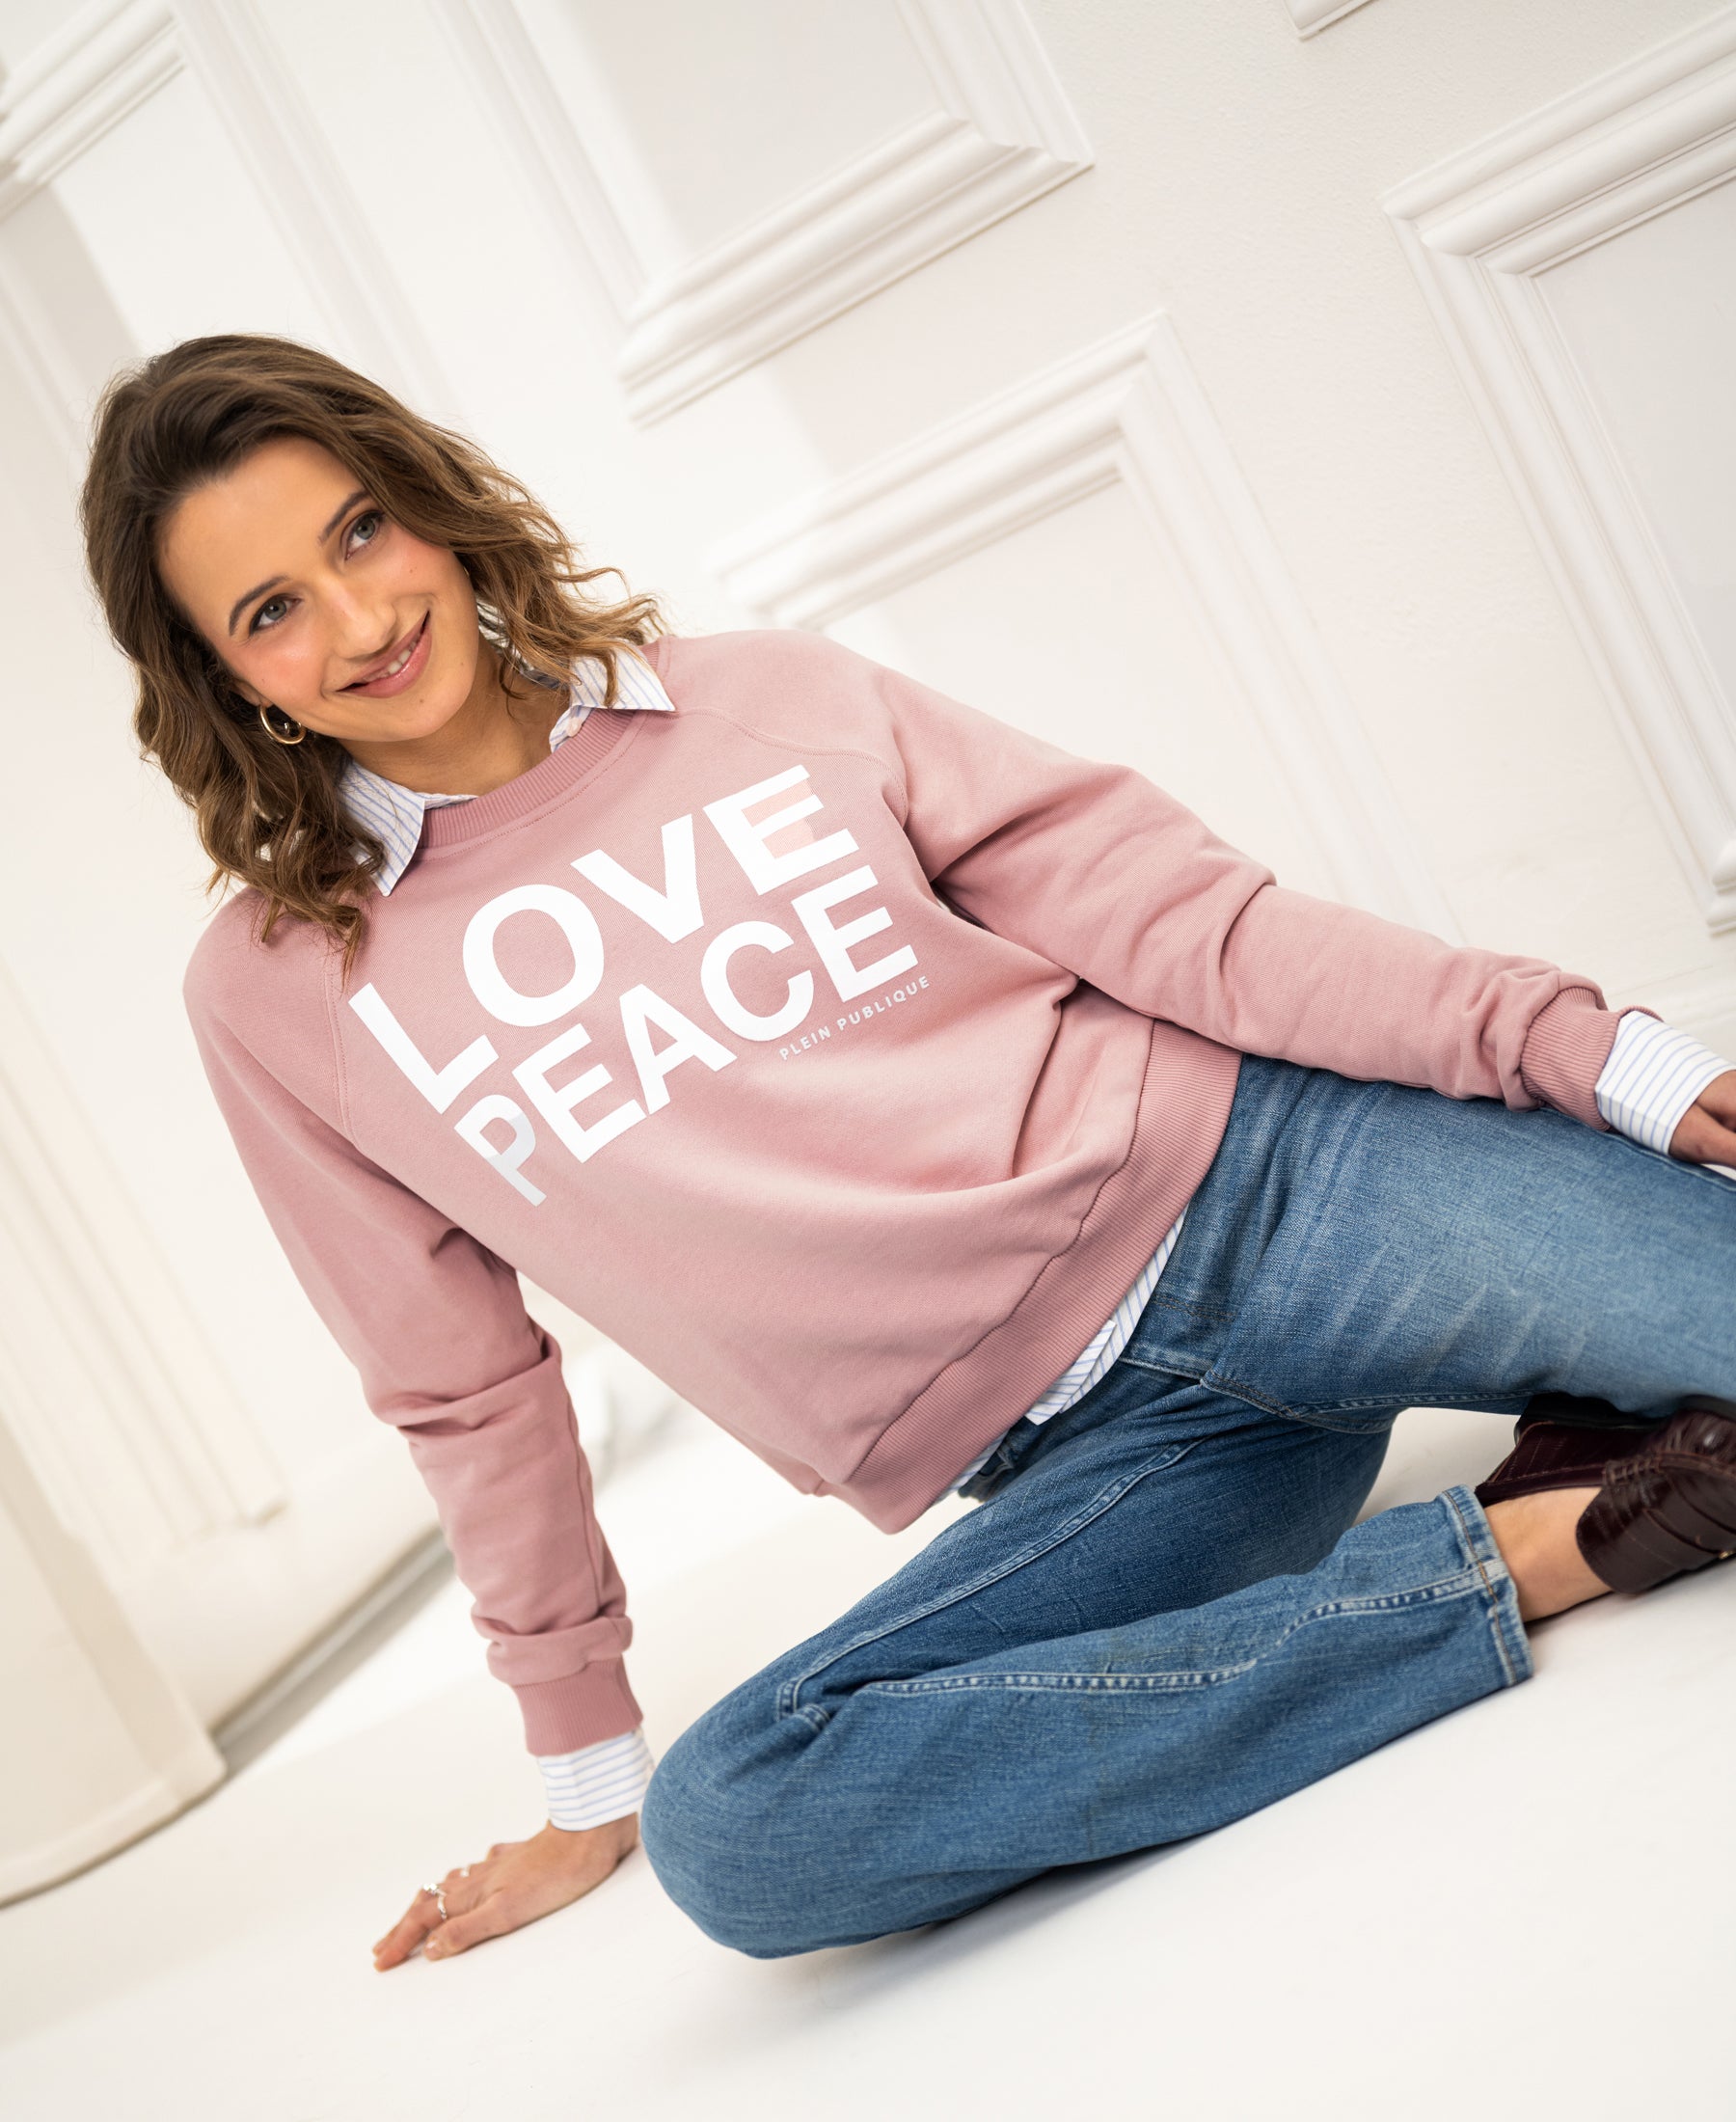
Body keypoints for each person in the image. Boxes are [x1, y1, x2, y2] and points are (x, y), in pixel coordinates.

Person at [80, 334, 1736, 1968]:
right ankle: (1538, 1547)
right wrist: (587, 1771)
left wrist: (1600, 1059)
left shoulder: (759, 703)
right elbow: (465, 1386)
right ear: (222, 677)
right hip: (1114, 1459)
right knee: (740, 1832)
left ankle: (1604, 1397)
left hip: (1293, 1196)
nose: (362, 619)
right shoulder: (287, 993)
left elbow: (1192, 927)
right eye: (272, 609)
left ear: (431, 507)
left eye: (360, 530)